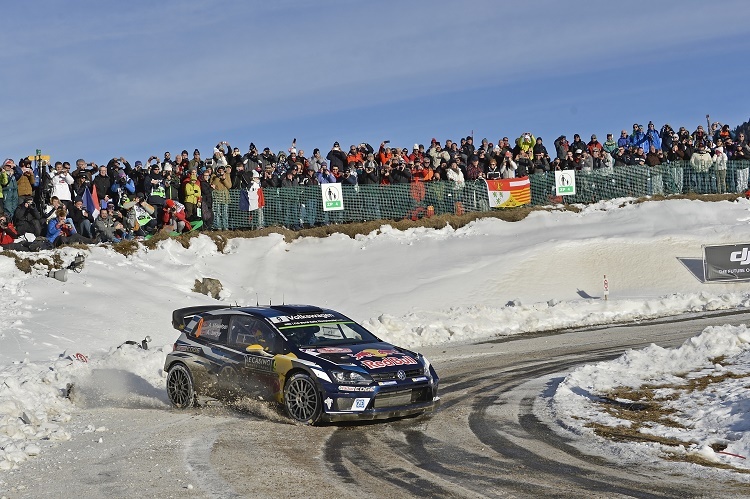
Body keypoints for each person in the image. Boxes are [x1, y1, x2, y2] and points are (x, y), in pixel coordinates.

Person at [211, 166, 232, 231]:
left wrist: (224, 179)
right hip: (217, 197)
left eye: (222, 170)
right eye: (219, 170)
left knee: (225, 213)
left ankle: (225, 226)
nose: (220, 171)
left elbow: (229, 186)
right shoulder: (213, 176)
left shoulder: (227, 175)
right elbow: (212, 185)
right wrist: (217, 178)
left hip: (225, 197)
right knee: (217, 213)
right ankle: (218, 226)